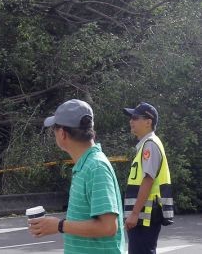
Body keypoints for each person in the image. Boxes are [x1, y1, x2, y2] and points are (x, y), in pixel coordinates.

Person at [29, 99, 125, 253]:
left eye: (54, 128)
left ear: (62, 133)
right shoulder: (86, 165)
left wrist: (59, 225)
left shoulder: (96, 167)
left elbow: (108, 227)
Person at [123, 102, 174, 254]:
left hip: (145, 216)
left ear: (148, 122)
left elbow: (148, 180)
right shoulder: (147, 144)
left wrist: (134, 213)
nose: (131, 121)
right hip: (144, 215)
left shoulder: (150, 145)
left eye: (135, 117)